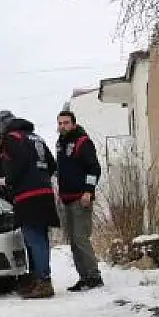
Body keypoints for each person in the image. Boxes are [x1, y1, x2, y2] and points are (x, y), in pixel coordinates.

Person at [0, 114, 60, 298]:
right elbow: (52, 165)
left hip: (27, 195)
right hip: (45, 193)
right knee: (41, 238)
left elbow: (14, 170)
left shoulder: (12, 139)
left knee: (33, 239)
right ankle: (39, 279)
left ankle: (43, 281)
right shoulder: (36, 138)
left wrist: (2, 182)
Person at [55, 109, 103, 291]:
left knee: (81, 238)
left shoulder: (83, 142)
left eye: (66, 123)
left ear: (74, 124)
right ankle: (83, 277)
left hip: (80, 198)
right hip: (66, 199)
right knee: (74, 241)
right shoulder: (61, 143)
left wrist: (88, 191)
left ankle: (94, 276)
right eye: (60, 123)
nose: (62, 126)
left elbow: (94, 168)